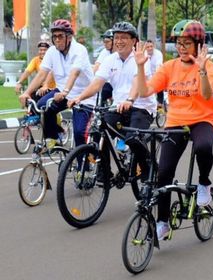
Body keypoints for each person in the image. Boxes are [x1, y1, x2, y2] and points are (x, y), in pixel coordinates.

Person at [135, 19, 213, 240]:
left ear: (198, 44)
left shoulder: (208, 66)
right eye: (179, 43)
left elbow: (207, 95)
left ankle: (204, 183)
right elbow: (145, 92)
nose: (181, 47)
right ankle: (162, 222)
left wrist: (201, 71)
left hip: (203, 119)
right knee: (163, 173)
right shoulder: (169, 67)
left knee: (203, 146)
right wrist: (141, 66)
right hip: (176, 122)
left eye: (187, 43)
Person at [68, 21, 156, 185]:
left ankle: (147, 170)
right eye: (116, 37)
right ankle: (105, 173)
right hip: (118, 107)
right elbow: (97, 83)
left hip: (141, 106)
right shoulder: (110, 60)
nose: (119, 41)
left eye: (124, 37)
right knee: (99, 131)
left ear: (133, 41)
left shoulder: (142, 58)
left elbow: (138, 82)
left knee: (133, 139)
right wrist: (79, 97)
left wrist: (130, 99)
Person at [18, 19, 95, 149]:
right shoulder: (52, 52)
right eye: (55, 37)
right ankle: (53, 138)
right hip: (62, 92)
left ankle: (84, 165)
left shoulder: (79, 50)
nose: (57, 40)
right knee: (42, 106)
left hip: (83, 96)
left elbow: (74, 73)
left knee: (79, 133)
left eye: (61, 36)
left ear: (69, 37)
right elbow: (42, 73)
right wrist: (27, 93)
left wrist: (65, 92)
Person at [93, 29, 115, 106]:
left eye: (107, 42)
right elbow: (97, 66)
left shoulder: (120, 52)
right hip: (107, 83)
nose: (105, 44)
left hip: (118, 82)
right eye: (104, 42)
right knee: (103, 94)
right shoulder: (104, 52)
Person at [144, 39, 165, 106]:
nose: (150, 48)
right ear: (145, 47)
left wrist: (155, 79)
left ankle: (160, 103)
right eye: (148, 47)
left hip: (156, 73)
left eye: (151, 46)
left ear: (154, 46)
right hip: (146, 75)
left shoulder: (158, 53)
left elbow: (158, 67)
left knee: (159, 82)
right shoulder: (143, 54)